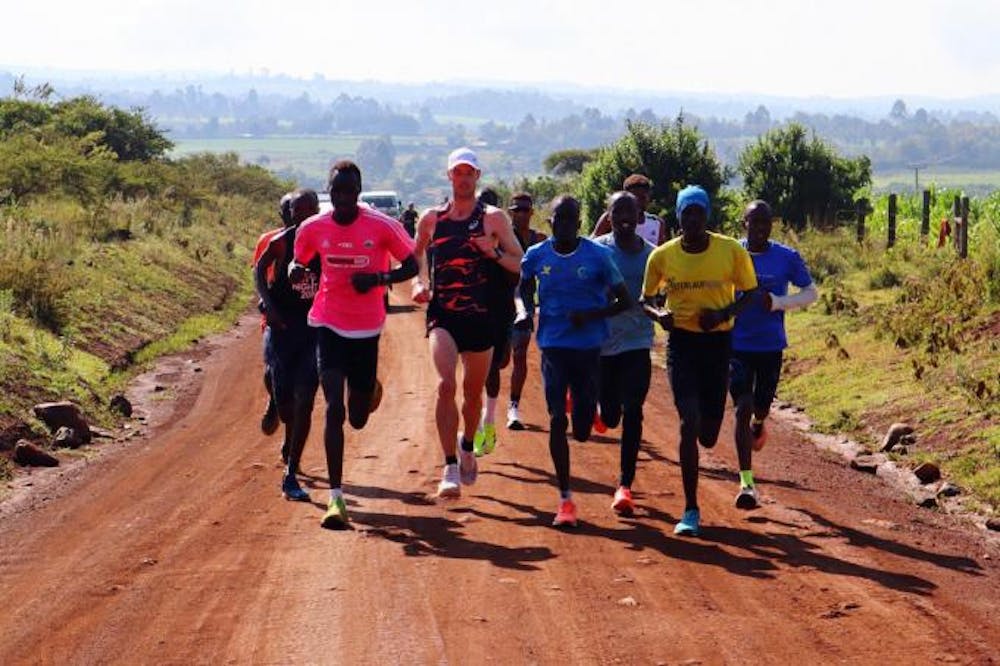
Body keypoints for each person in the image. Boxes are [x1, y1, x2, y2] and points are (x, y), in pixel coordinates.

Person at [290, 160, 418, 528]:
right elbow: (299, 262)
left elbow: (413, 264)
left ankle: (369, 388)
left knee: (358, 418)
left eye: (350, 191)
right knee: (334, 409)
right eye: (337, 191)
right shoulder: (313, 228)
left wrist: (378, 279)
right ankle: (336, 499)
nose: (344, 198)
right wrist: (295, 270)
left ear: (358, 192)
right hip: (328, 322)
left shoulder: (381, 226)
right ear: (328, 191)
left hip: (366, 329)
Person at [641, 185, 757, 537]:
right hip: (682, 345)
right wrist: (659, 315)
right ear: (678, 217)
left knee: (707, 434)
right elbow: (646, 299)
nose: (692, 219)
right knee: (687, 422)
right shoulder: (662, 256)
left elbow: (751, 293)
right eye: (687, 213)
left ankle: (707, 434)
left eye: (698, 213)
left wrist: (723, 313)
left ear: (707, 216)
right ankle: (690, 509)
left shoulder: (730, 250)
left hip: (718, 345)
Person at [411, 147, 524, 498]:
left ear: (477, 176)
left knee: (472, 395)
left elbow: (521, 263)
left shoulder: (493, 219)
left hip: (481, 317)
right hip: (443, 315)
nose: (463, 178)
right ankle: (449, 467)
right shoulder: (431, 219)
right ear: (449, 176)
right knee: (446, 385)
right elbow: (416, 255)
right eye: (457, 172)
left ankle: (467, 445)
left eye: (469, 173)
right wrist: (418, 283)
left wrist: (494, 252)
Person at [520, 195, 632, 527]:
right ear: (550, 222)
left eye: (572, 219)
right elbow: (521, 289)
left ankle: (585, 406)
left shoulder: (598, 256)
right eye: (560, 219)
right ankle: (565, 499)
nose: (566, 225)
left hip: (588, 349)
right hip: (553, 347)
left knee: (581, 431)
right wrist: (523, 311)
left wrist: (591, 315)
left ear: (580, 224)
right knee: (557, 419)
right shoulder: (536, 255)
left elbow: (624, 300)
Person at [729, 200, 817, 509]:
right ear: (744, 224)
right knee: (741, 407)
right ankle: (746, 483)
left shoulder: (786, 257)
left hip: (770, 346)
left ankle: (759, 423)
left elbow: (811, 293)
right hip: (736, 345)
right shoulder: (731, 253)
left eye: (765, 222)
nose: (760, 228)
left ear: (771, 225)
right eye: (754, 222)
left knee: (761, 406)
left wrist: (779, 303)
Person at [255, 189, 322, 499]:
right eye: (297, 211)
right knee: (285, 401)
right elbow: (259, 270)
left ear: (317, 211)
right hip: (282, 329)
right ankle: (284, 424)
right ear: (290, 214)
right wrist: (268, 305)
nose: (303, 216)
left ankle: (292, 469)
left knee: (305, 396)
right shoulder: (280, 241)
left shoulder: (325, 241)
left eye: (309, 211)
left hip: (313, 329)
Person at [593, 192, 656, 515]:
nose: (625, 218)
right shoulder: (597, 250)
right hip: (603, 345)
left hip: (638, 341)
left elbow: (660, 294)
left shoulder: (653, 255)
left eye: (630, 212)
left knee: (633, 410)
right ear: (609, 216)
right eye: (618, 212)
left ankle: (624, 485)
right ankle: (600, 408)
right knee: (610, 416)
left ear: (640, 216)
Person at [504, 193, 546, 431]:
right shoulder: (502, 237)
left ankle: (514, 406)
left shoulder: (538, 240)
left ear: (531, 212)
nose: (521, 214)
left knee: (519, 354)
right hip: (501, 304)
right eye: (516, 210)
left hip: (526, 304)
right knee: (501, 360)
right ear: (510, 212)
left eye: (525, 210)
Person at [253, 192, 295, 437]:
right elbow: (259, 275)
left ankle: (291, 442)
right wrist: (266, 302)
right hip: (275, 315)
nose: (293, 215)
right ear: (282, 214)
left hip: (304, 317)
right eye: (288, 211)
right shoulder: (269, 241)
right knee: (273, 372)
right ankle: (274, 401)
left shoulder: (313, 237)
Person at [591, 174, 672, 244]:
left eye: (642, 198)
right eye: (635, 198)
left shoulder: (657, 223)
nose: (638, 202)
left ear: (648, 197)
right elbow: (593, 243)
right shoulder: (613, 218)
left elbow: (661, 251)